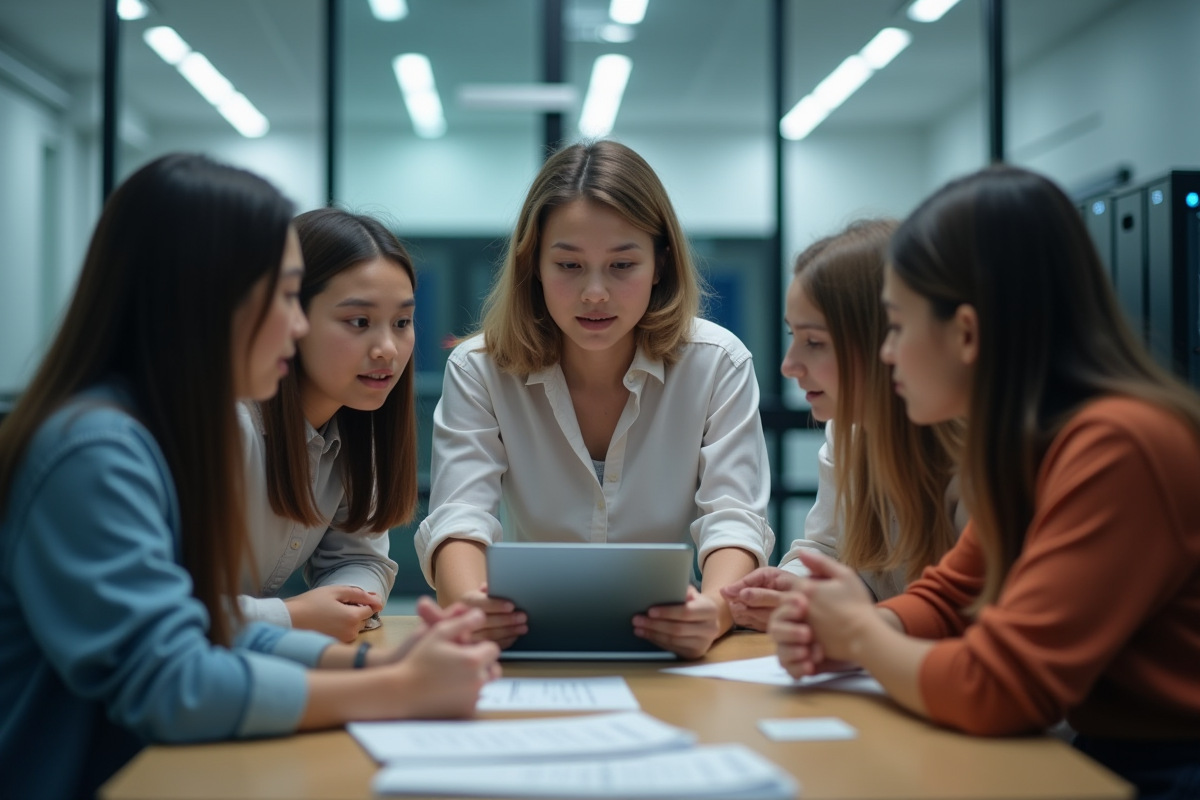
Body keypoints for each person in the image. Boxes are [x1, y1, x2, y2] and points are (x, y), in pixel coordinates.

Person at [0, 154, 499, 800]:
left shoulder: (150, 431)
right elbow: (174, 682)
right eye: (286, 297)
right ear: (204, 296)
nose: (295, 327)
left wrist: (362, 664)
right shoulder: (96, 451)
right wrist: (391, 688)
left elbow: (203, 625)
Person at [770, 165, 1200, 798]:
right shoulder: (1033, 443)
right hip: (1111, 751)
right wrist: (865, 635)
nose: (887, 352)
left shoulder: (1119, 444)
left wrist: (861, 634)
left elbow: (1000, 687)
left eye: (897, 325)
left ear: (966, 332)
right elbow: (949, 597)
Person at [416, 140, 775, 658]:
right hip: (523, 642)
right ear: (532, 265)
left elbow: (733, 516)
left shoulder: (717, 363)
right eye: (569, 265)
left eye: (622, 265)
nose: (595, 294)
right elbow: (460, 516)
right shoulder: (480, 367)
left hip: (671, 644)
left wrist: (716, 609)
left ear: (660, 265)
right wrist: (469, 605)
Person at [721, 221, 967, 631]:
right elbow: (826, 549)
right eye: (792, 335)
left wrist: (859, 628)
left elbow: (965, 611)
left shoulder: (975, 452)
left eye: (814, 342)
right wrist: (799, 586)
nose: (788, 366)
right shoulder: (849, 431)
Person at [239, 208, 420, 642]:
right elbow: (153, 610)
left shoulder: (355, 425)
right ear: (291, 321)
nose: (388, 350)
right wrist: (289, 616)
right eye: (359, 322)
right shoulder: (229, 424)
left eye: (402, 322)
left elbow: (360, 559)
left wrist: (351, 598)